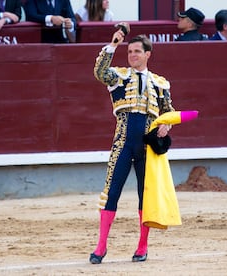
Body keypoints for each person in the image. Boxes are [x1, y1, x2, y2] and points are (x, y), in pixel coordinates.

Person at [90, 31, 175, 264]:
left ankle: (142, 246)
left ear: (148, 54)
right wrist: (113, 44)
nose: (132, 55)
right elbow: (99, 72)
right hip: (123, 144)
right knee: (111, 193)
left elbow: (168, 111)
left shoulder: (160, 83)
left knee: (144, 197)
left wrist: (166, 125)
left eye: (137, 51)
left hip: (147, 147)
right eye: (129, 51)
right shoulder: (118, 76)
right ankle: (100, 247)